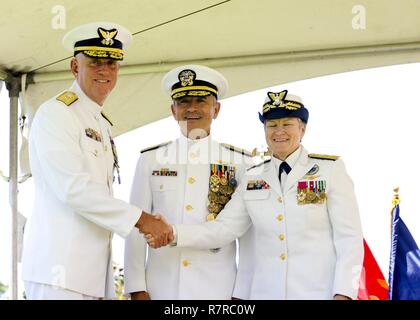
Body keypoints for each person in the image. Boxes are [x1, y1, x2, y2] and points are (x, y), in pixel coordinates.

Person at [147, 89, 364, 300]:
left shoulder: (329, 170)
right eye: (272, 125)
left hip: (318, 293)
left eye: (287, 124)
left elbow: (349, 239)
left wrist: (344, 293)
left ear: (303, 129)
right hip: (265, 293)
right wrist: (172, 232)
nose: (279, 131)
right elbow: (223, 228)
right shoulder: (253, 177)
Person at [22, 22, 172, 300]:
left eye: (112, 64)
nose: (105, 70)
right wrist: (142, 220)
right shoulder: (57, 113)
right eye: (95, 62)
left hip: (89, 275)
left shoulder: (99, 122)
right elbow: (73, 188)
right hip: (59, 274)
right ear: (74, 67)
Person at [124, 64, 256, 300]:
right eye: (183, 101)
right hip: (161, 288)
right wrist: (136, 288)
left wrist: (242, 293)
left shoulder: (240, 162)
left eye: (201, 100)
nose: (192, 108)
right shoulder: (151, 159)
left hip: (219, 289)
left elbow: (249, 236)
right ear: (173, 110)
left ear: (216, 109)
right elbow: (135, 225)